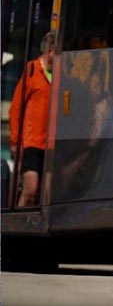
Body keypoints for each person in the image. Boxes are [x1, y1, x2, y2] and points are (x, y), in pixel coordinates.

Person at [9, 31, 57, 207]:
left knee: (46, 195)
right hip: (31, 141)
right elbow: (16, 107)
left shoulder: (61, 74)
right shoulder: (32, 69)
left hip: (51, 143)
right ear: (50, 50)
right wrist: (15, 140)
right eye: (57, 50)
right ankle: (18, 227)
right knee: (30, 189)